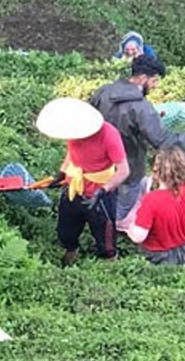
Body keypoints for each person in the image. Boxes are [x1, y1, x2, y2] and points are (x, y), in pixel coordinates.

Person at [90, 55, 185, 223]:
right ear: (143, 78)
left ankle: (97, 217)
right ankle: (110, 229)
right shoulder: (141, 108)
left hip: (99, 164)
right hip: (129, 169)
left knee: (100, 195)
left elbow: (90, 120)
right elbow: (163, 142)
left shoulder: (104, 91)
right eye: (154, 81)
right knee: (121, 207)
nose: (156, 85)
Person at [36, 97, 130, 266]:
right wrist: (61, 173)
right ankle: (69, 256)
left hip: (100, 192)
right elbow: (71, 152)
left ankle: (111, 268)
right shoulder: (72, 132)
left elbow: (124, 170)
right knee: (66, 230)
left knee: (105, 237)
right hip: (75, 186)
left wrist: (102, 191)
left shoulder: (109, 135)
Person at [125, 146, 185, 269]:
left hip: (158, 258)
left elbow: (138, 237)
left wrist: (130, 227)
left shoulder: (151, 200)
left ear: (156, 171)